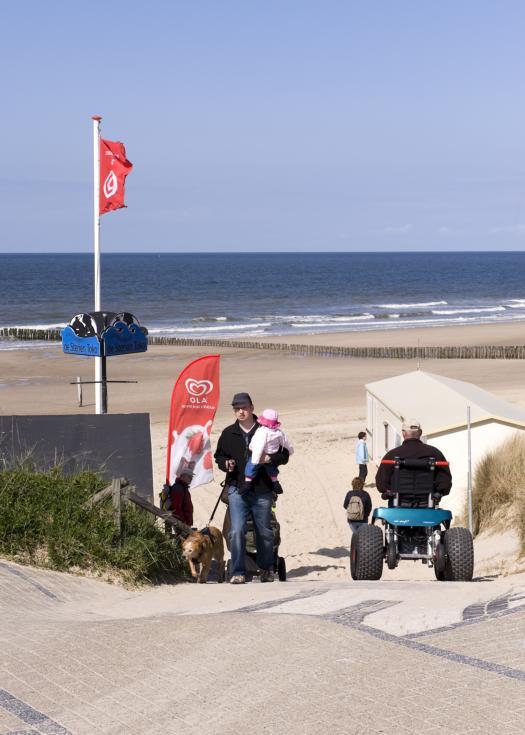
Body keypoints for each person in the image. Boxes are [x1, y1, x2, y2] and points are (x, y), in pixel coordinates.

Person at [214, 392, 290, 584]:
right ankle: (238, 571)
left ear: (252, 408)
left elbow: (285, 454)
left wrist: (269, 459)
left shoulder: (268, 429)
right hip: (236, 488)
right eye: (237, 408)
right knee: (237, 530)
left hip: (262, 489)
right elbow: (219, 457)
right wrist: (226, 464)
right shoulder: (228, 433)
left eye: (244, 407)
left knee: (264, 531)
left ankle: (266, 569)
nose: (241, 411)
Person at [375, 419, 452, 505]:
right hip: (427, 503)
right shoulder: (435, 453)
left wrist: (387, 491)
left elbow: (381, 482)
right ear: (420, 433)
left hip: (398, 503)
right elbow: (445, 480)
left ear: (403, 433)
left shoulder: (391, 455)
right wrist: (439, 492)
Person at [243, 408, 294, 494]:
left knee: (251, 466)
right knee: (271, 469)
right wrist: (290, 451)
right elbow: (286, 442)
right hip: (272, 453)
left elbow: (259, 446)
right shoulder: (278, 432)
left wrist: (255, 460)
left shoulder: (262, 432)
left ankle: (247, 482)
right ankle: (275, 482)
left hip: (261, 454)